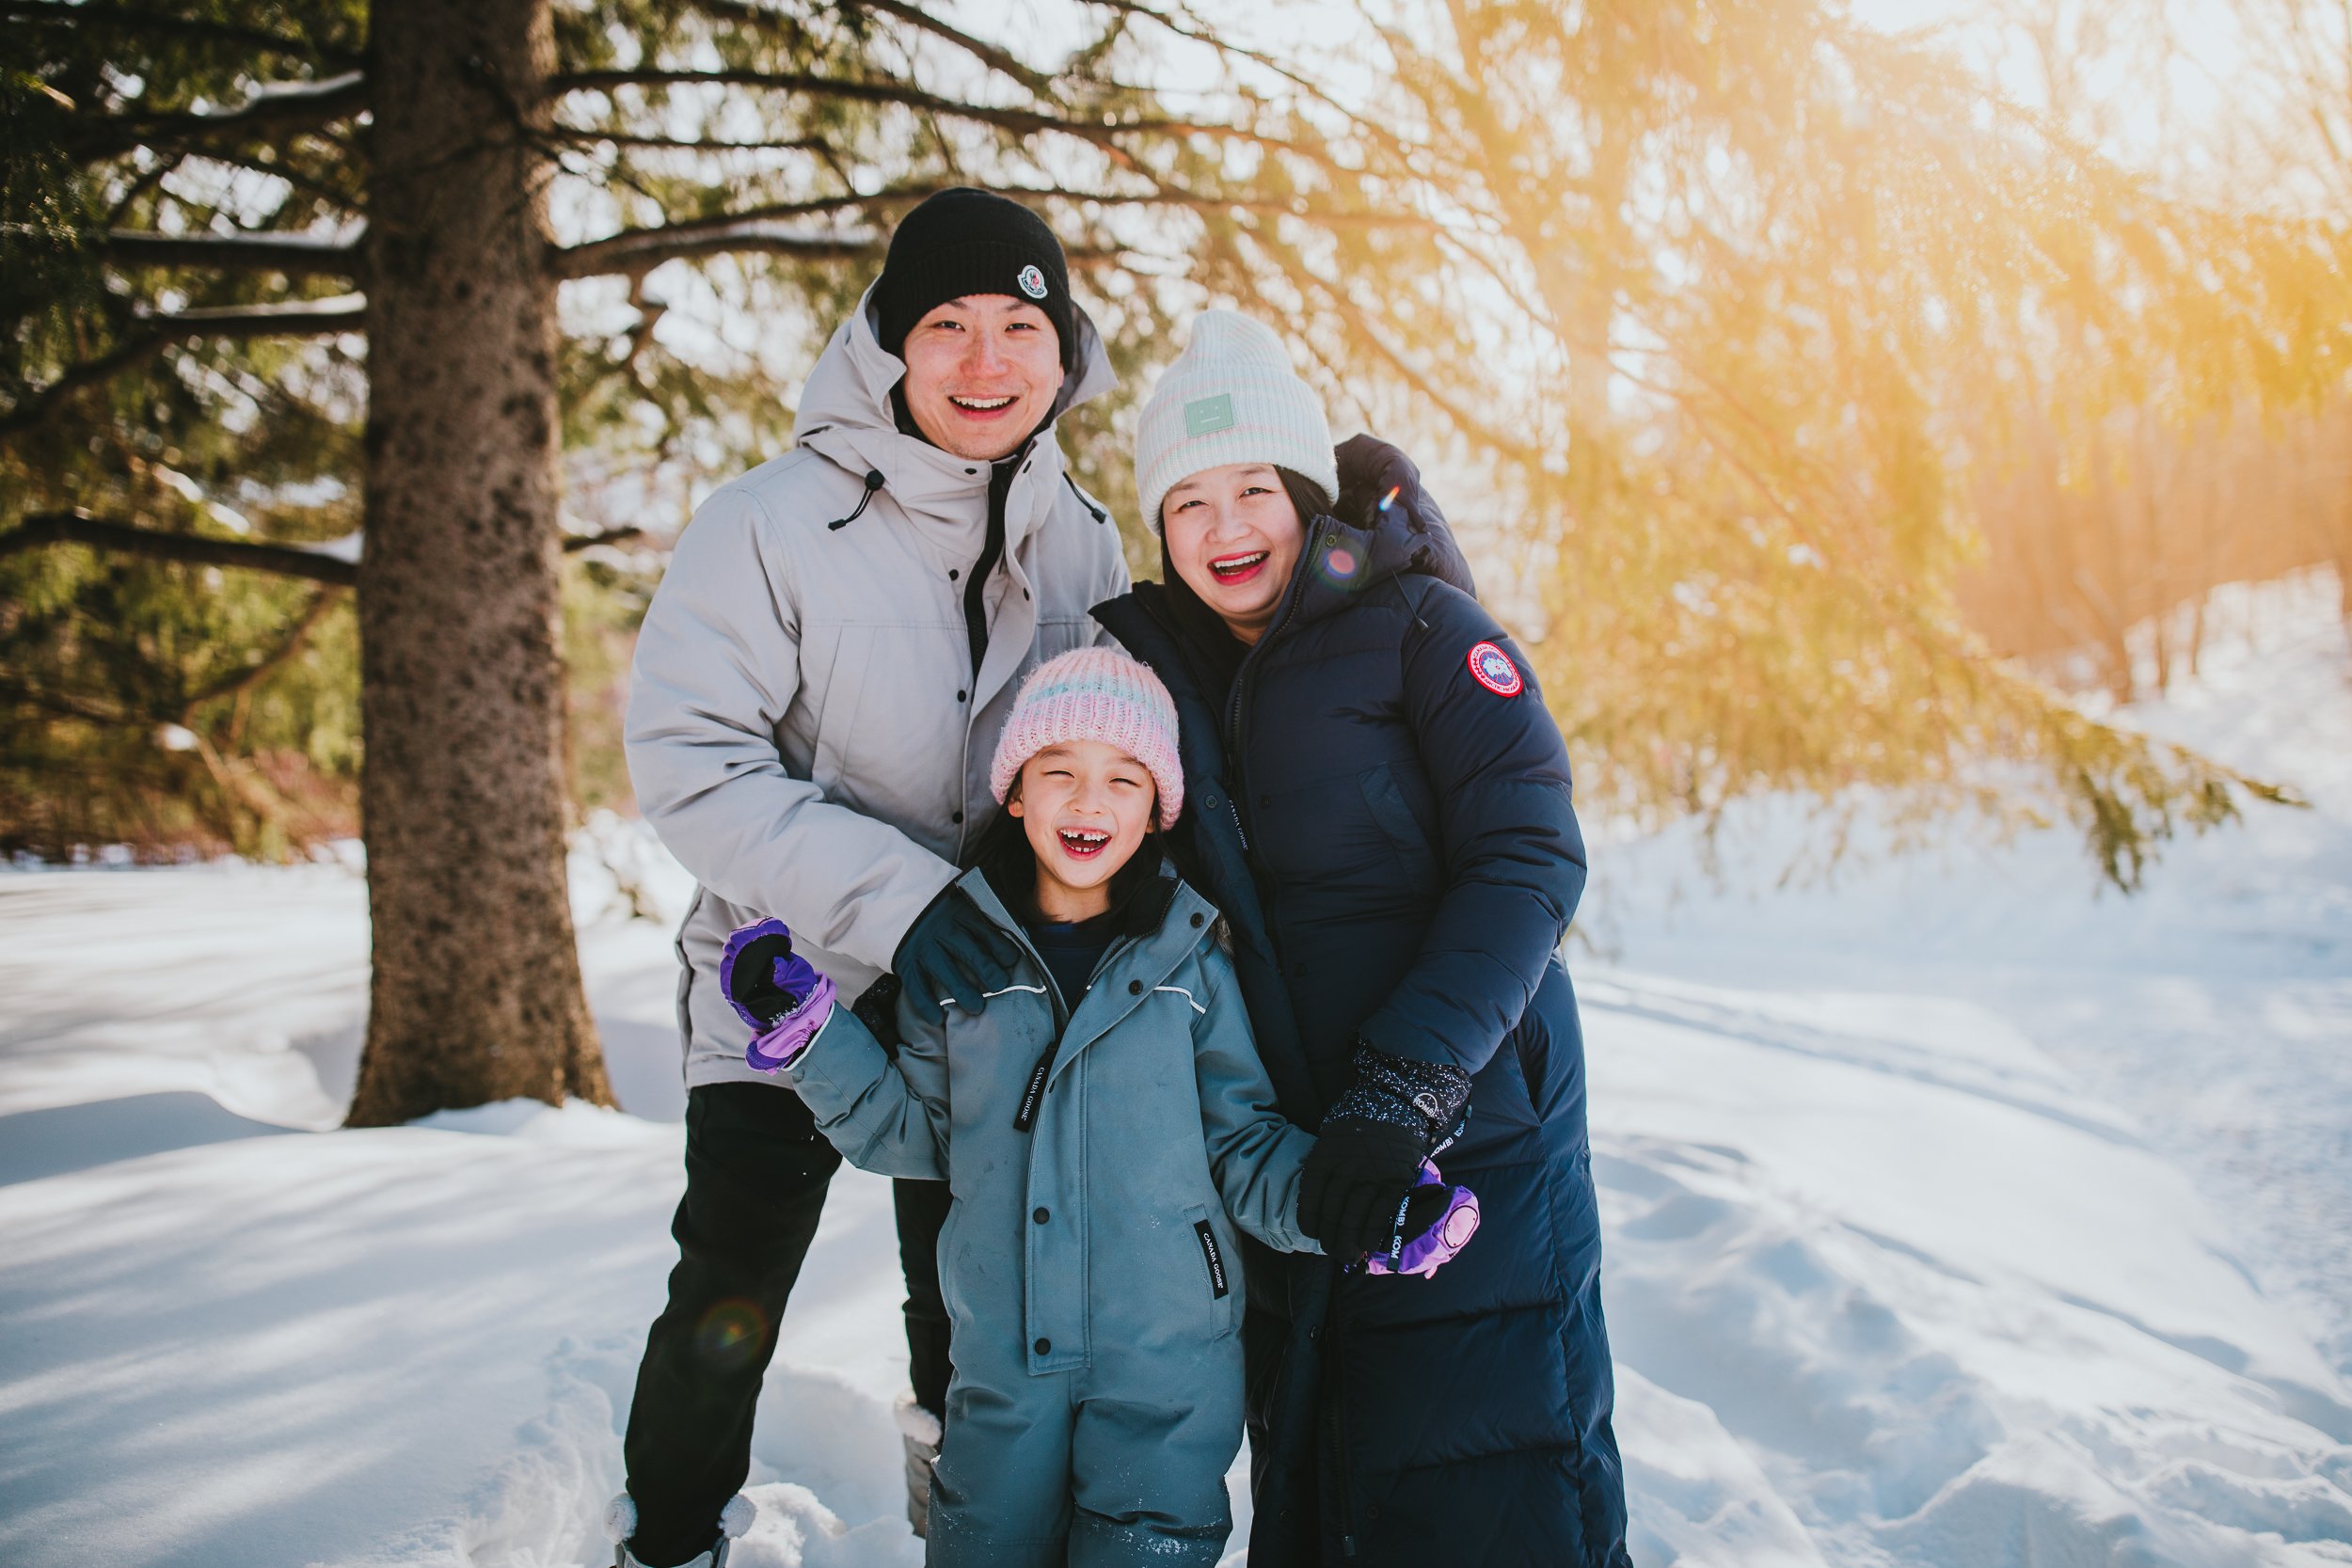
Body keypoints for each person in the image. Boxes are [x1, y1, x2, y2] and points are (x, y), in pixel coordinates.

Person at [611, 187, 1133, 1568]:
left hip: (983, 1006)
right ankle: (667, 1540)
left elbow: (1110, 756)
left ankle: (970, 1534)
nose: (985, 361)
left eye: (1021, 326)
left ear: (1063, 351)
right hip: (785, 987)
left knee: (970, 1314)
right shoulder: (772, 521)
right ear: (890, 342)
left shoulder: (1082, 537)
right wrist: (908, 905)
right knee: (731, 1288)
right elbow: (690, 759)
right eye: (947, 324)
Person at [1092, 311, 1633, 1567]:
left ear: (1305, 491)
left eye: (1253, 490)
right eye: (1189, 503)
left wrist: (1408, 1082)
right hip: (1291, 1146)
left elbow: (1531, 854)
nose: (1226, 528)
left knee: (1491, 1463)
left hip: (1470, 1120)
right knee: (1329, 1462)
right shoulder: (1155, 668)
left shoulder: (1427, 630)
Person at [721, 646, 1419, 1566]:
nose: (1089, 801)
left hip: (1168, 1368)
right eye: (1061, 772)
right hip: (1003, 1371)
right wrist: (812, 1031)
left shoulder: (1192, 954)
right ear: (1016, 792)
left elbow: (1243, 1141)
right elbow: (913, 1133)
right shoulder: (962, 962)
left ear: (1155, 808)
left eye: (1123, 779)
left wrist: (1354, 1203)